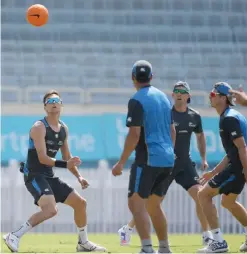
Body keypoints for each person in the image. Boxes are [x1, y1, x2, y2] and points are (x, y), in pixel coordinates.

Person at [3, 90, 106, 253]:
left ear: (61, 105)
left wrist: (79, 176)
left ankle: (83, 243)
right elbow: (43, 158)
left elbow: (67, 157)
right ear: (45, 107)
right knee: (51, 209)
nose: (54, 103)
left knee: (80, 204)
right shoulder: (39, 127)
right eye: (50, 101)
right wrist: (67, 164)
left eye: (56, 100)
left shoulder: (64, 129)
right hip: (34, 176)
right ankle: (14, 236)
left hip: (48, 176)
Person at [118, 81, 212, 246]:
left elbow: (200, 136)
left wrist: (203, 158)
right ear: (172, 95)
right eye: (176, 90)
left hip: (184, 164)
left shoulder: (194, 116)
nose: (179, 93)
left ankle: (207, 234)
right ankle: (128, 228)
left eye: (183, 91)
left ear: (189, 95)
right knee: (152, 203)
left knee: (200, 195)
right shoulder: (166, 113)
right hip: (167, 163)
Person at [112, 60, 176, 253]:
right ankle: (164, 248)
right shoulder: (164, 98)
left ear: (133, 78)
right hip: (167, 158)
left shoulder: (136, 100)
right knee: (154, 205)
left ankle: (147, 248)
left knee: (135, 203)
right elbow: (172, 131)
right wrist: (168, 151)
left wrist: (121, 162)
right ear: (151, 77)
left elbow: (134, 135)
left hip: (148, 159)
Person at [198, 82, 247, 253]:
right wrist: (214, 172)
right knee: (228, 201)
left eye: (214, 93)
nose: (210, 96)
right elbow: (232, 152)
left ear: (223, 98)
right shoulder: (228, 116)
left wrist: (246, 171)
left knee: (203, 194)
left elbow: (242, 148)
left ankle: (218, 242)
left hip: (239, 167)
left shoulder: (229, 119)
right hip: (237, 165)